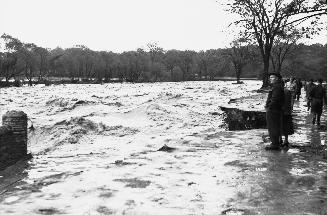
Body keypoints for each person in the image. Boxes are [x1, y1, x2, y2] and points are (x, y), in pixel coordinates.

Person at [265, 73, 285, 150]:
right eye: (270, 77)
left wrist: (269, 107)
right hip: (276, 109)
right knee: (275, 126)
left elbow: (275, 99)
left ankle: (274, 144)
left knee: (272, 127)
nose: (270, 78)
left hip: (273, 110)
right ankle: (276, 142)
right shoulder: (278, 86)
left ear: (277, 78)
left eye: (272, 77)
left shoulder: (277, 87)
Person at [280, 81, 294, 147]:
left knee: (279, 125)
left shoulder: (279, 92)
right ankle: (286, 140)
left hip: (281, 111)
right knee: (287, 126)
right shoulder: (288, 91)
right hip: (288, 111)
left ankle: (280, 139)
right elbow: (291, 102)